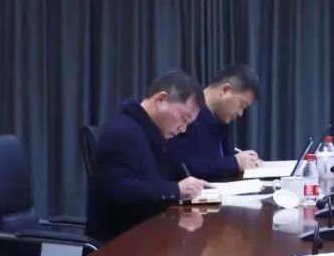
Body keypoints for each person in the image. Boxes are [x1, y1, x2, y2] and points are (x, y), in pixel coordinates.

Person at [86, 70, 207, 244]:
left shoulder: (154, 134)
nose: (183, 129)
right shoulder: (122, 132)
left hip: (149, 235)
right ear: (160, 100)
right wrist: (176, 190)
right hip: (120, 245)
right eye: (183, 118)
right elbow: (120, 191)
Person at [168, 64, 262, 181]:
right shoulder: (187, 114)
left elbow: (220, 159)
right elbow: (182, 166)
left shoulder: (220, 118)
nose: (240, 113)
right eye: (241, 105)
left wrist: (244, 160)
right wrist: (234, 162)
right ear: (225, 90)